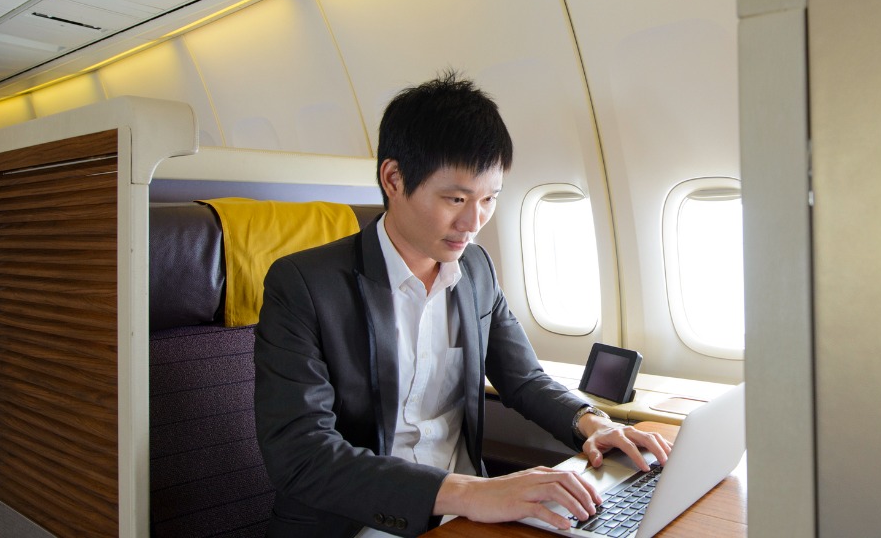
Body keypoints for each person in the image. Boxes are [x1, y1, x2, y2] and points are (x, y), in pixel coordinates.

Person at [254, 71, 671, 537]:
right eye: (455, 198)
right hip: (359, 523)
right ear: (393, 179)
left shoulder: (474, 271)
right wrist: (471, 492)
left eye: (490, 198)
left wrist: (591, 421)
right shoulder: (305, 286)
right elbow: (301, 454)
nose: (473, 222)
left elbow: (523, 378)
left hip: (468, 515)